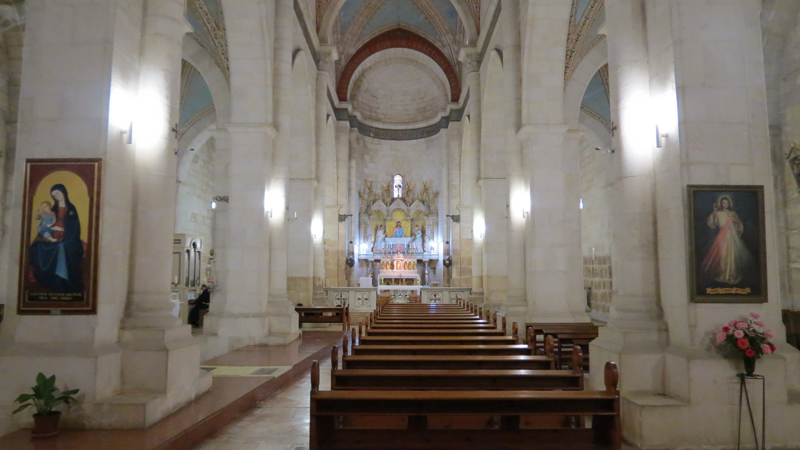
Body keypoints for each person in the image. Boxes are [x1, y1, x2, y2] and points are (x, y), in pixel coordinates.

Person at [29, 184, 84, 293]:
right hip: (52, 234)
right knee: (37, 245)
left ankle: (61, 279)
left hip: (69, 238)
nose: (57, 196)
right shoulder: (53, 208)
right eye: (54, 195)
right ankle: (46, 278)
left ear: (63, 192)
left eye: (58, 193)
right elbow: (46, 221)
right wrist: (43, 227)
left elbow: (75, 227)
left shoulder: (71, 208)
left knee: (62, 246)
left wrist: (64, 231)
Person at [700, 196, 753, 285]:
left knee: (732, 255)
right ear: (721, 204)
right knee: (723, 255)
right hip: (723, 236)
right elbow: (711, 224)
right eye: (724, 203)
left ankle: (731, 274)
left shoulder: (733, 213)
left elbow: (739, 224)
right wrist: (714, 212)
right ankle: (723, 274)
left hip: (732, 236)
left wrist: (734, 220)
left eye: (727, 203)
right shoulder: (718, 213)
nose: (726, 204)